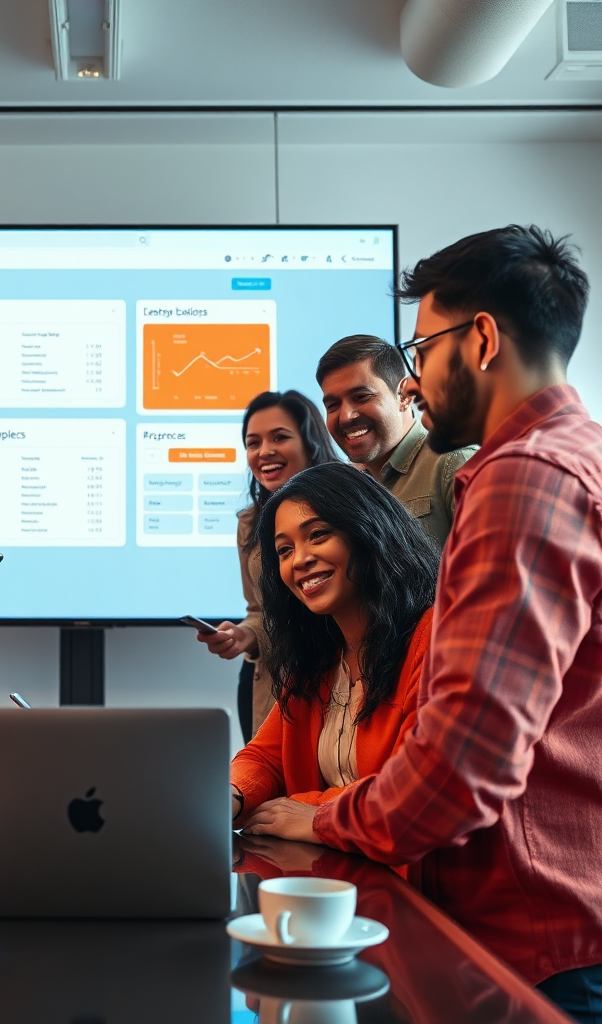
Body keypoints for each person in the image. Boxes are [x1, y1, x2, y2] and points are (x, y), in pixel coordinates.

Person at [247, 225, 602, 1022]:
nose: (413, 381)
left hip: (532, 931)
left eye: (422, 350)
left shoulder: (524, 476)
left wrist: (326, 815)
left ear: (479, 339)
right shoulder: (577, 455)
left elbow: (461, 765)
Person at [229, 461, 437, 829]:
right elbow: (266, 758)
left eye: (318, 534)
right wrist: (232, 794)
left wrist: (312, 814)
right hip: (333, 874)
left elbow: (414, 791)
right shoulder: (318, 657)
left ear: (368, 530)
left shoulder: (435, 637)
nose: (301, 560)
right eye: (284, 550)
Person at [196, 390, 338, 740]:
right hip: (271, 687)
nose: (264, 451)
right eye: (253, 442)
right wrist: (243, 635)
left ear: (310, 443)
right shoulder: (250, 523)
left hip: (338, 681)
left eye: (280, 437)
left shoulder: (347, 509)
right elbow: (260, 610)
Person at [316, 334, 476, 547]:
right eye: (333, 405)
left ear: (404, 395)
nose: (346, 416)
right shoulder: (345, 488)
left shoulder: (455, 463)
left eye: (361, 397)